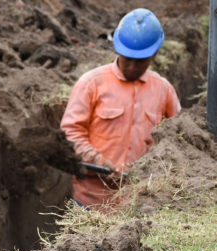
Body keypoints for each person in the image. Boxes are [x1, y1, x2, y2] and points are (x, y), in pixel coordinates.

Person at [61, 8, 181, 208]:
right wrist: (99, 161)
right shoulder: (91, 83)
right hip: (90, 204)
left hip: (141, 207)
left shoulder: (164, 91)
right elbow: (70, 134)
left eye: (140, 61)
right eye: (127, 59)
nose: (132, 67)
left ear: (155, 54)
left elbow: (179, 141)